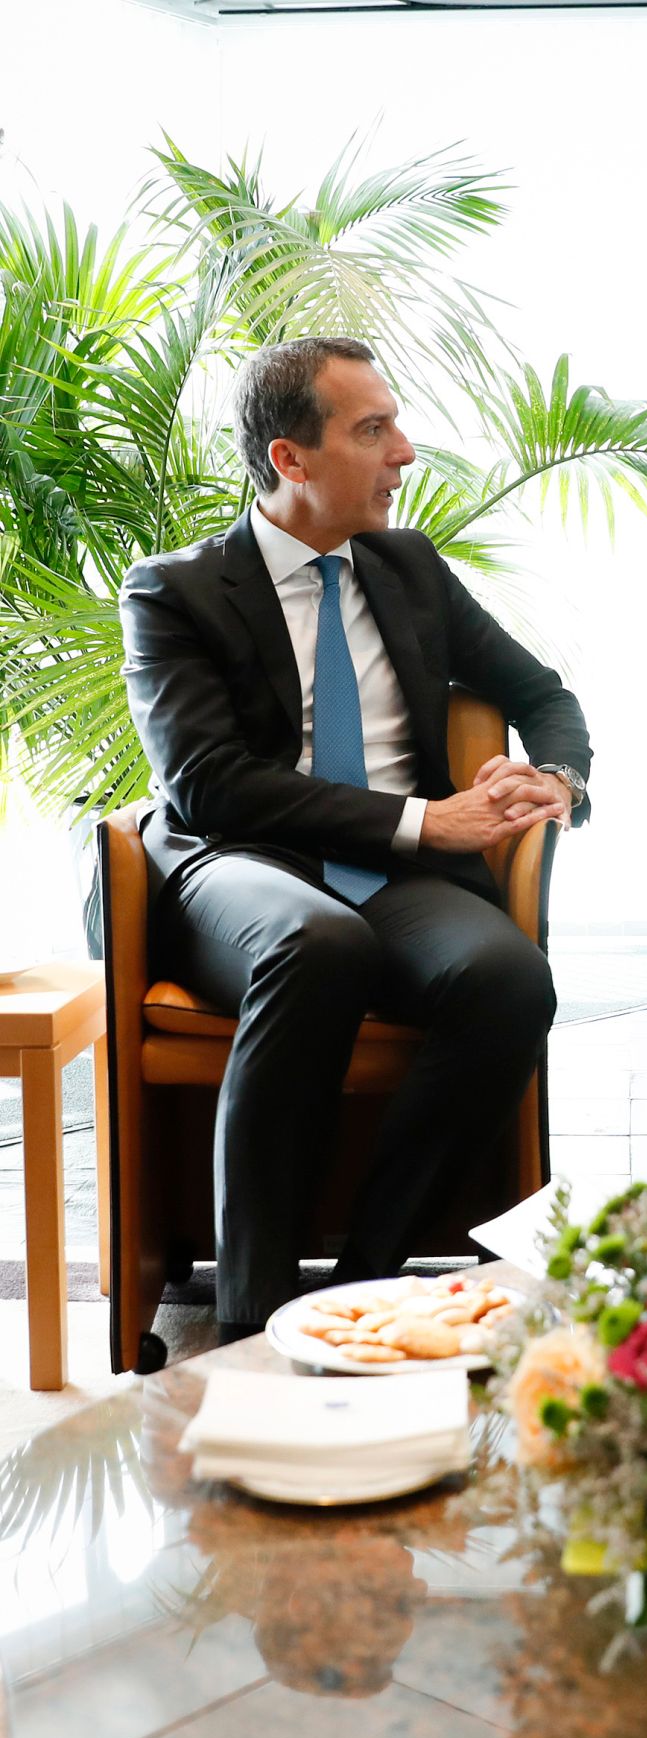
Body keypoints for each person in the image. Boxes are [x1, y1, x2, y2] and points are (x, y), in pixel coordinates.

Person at [120, 336, 591, 1338]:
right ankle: (250, 1318)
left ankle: (370, 1280)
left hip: (394, 873)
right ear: (291, 459)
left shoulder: (407, 566)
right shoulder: (176, 591)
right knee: (315, 942)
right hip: (238, 867)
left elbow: (542, 693)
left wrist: (551, 776)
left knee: (508, 979)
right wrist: (425, 819)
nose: (405, 452)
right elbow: (207, 785)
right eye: (373, 429)